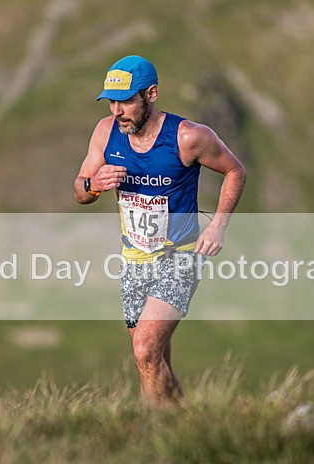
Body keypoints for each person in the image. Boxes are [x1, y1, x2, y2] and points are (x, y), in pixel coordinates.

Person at [74, 55, 246, 403]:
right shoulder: (106, 133)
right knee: (154, 360)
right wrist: (94, 183)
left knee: (144, 351)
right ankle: (185, 427)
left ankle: (159, 435)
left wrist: (218, 226)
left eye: (126, 101)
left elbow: (235, 170)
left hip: (180, 256)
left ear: (151, 94)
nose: (116, 110)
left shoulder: (189, 137)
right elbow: (80, 191)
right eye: (111, 101)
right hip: (134, 258)